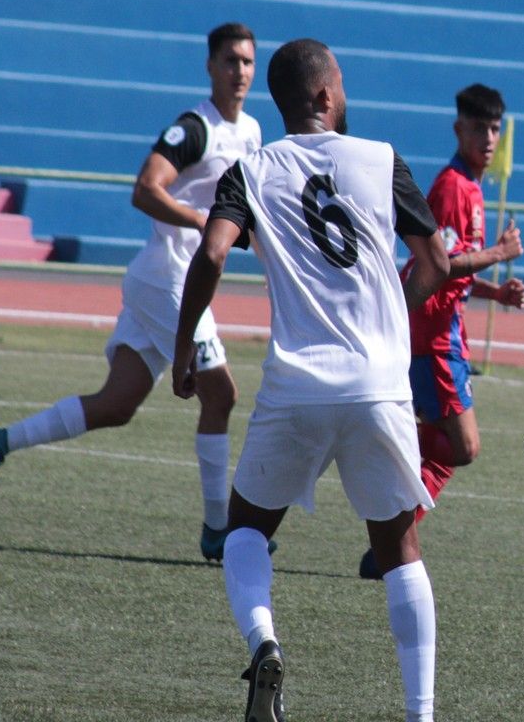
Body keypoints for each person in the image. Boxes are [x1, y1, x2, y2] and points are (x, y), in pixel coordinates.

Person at [172, 38, 449, 722]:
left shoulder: (253, 168)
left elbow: (210, 253)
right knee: (398, 545)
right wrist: (390, 317)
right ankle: (421, 713)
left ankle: (264, 643)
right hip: (380, 385)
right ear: (326, 97)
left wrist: (185, 345)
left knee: (243, 529)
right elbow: (436, 263)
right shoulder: (382, 160)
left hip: (297, 385)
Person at [0, 22, 266, 559]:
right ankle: (218, 530)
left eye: (247, 61)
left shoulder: (251, 131)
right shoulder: (194, 128)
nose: (240, 71)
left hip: (167, 280)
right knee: (221, 394)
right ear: (210, 66)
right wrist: (200, 220)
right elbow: (145, 189)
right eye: (230, 61)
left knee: (117, 404)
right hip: (169, 279)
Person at [358, 82, 524, 580]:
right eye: (479, 128)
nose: (489, 138)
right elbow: (440, 264)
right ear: (459, 129)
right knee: (463, 447)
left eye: (495, 128)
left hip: (441, 335)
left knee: (444, 445)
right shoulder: (455, 188)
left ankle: (388, 544)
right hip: (434, 339)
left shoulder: (470, 187)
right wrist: (498, 254)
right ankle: (391, 535)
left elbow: (449, 272)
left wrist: (496, 292)